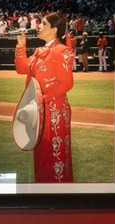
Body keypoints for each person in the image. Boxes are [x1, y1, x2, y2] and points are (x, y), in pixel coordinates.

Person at [15, 12, 75, 183]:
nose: (38, 26)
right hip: (40, 111)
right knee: (41, 153)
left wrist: (42, 99)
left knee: (54, 156)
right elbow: (21, 68)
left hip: (54, 111)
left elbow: (66, 84)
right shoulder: (39, 52)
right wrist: (21, 46)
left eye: (43, 23)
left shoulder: (62, 51)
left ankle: (59, 194)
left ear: (54, 29)